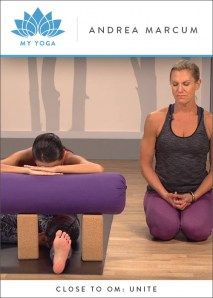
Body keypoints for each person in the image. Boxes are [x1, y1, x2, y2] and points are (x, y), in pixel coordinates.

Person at [0, 133, 104, 274]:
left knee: (65, 226)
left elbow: (97, 168)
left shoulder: (68, 157)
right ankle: (37, 239)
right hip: (29, 211)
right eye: (40, 166)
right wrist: (27, 170)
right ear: (34, 158)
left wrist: (56, 169)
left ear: (61, 156)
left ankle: (57, 250)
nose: (44, 171)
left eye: (50, 166)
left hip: (57, 214)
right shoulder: (27, 154)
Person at [140, 60, 212, 242]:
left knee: (198, 232)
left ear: (198, 84)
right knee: (163, 231)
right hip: (162, 192)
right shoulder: (155, 119)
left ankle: (193, 214)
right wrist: (164, 194)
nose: (180, 89)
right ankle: (166, 213)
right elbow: (145, 164)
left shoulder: (209, 121)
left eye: (186, 84)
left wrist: (194, 196)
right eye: (175, 84)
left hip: (197, 192)